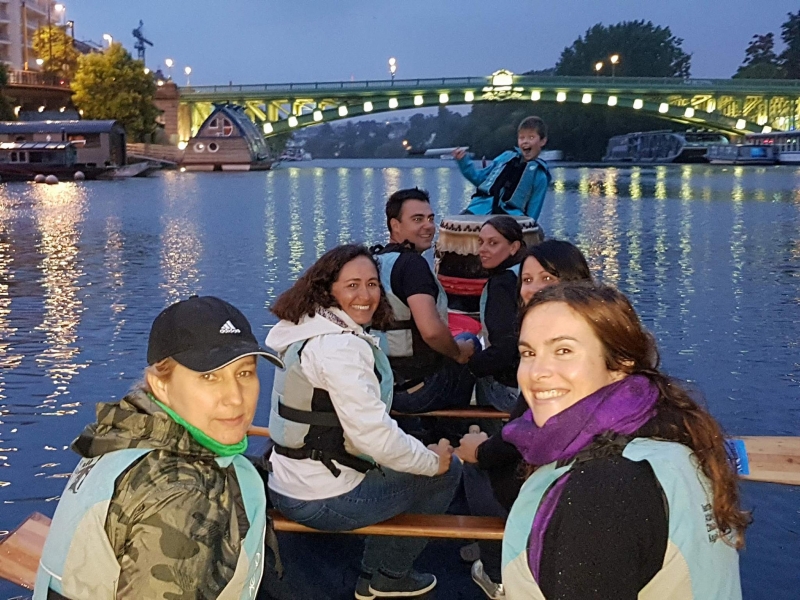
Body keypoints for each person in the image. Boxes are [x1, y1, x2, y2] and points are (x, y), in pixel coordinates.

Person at [502, 282, 749, 599]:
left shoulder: (602, 489)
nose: (537, 372)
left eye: (563, 351)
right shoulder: (668, 437)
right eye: (528, 353)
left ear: (620, 363)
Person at [34, 296, 285, 599]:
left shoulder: (120, 439)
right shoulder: (185, 494)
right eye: (209, 377)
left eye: (244, 373)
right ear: (160, 385)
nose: (235, 397)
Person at [265, 244, 463, 600]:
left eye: (372, 284)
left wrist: (417, 454)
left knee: (410, 455)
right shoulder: (339, 348)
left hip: (284, 484)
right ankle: (388, 575)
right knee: (448, 473)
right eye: (352, 285)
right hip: (322, 500)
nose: (366, 295)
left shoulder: (303, 329)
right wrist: (433, 463)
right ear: (327, 290)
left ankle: (375, 571)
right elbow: (374, 437)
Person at [454, 239, 592, 599]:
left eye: (547, 278)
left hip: (559, 485)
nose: (532, 288)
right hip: (574, 474)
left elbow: (529, 430)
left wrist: (480, 452)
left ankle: (497, 572)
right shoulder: (590, 332)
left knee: (471, 465)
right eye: (527, 280)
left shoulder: (566, 350)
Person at [371, 187, 476, 413]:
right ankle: (460, 425)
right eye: (417, 219)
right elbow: (431, 331)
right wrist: (458, 353)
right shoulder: (413, 266)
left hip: (380, 386)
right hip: (416, 392)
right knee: (470, 342)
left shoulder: (374, 261)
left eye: (430, 218)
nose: (428, 226)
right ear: (395, 225)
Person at [468, 216, 526, 413]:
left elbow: (505, 349)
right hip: (538, 380)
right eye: (481, 242)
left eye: (493, 243)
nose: (483, 249)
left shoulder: (502, 284)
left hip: (515, 392)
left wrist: (470, 365)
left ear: (514, 247)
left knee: (473, 372)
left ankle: (478, 427)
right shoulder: (529, 274)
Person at [453, 116, 551, 220]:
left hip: (509, 217)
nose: (525, 141)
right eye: (522, 138)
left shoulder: (540, 176)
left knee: (491, 228)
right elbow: (479, 179)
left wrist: (528, 226)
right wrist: (463, 162)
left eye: (531, 137)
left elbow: (533, 212)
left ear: (542, 141)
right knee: (452, 224)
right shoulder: (505, 158)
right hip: (479, 209)